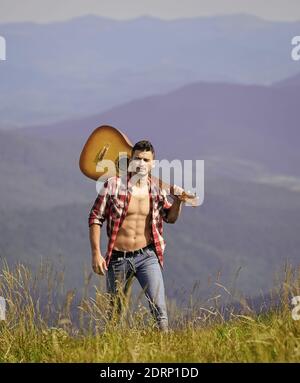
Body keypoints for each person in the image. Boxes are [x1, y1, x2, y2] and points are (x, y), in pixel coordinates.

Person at [88, 140, 184, 331]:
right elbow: (95, 217)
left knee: (160, 312)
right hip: (118, 258)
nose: (141, 163)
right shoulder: (113, 185)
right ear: (130, 160)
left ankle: (166, 352)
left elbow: (170, 218)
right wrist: (96, 253)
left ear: (153, 163)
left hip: (147, 256)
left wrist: (178, 202)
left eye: (146, 160)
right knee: (115, 316)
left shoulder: (157, 189)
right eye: (137, 159)